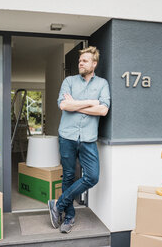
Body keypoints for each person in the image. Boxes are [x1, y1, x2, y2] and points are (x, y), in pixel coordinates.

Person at [48, 46, 110, 233]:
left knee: (92, 176)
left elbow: (103, 110)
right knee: (68, 176)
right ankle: (69, 216)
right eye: (79, 60)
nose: (80, 63)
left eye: (84, 61)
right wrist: (91, 102)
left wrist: (75, 105)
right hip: (67, 136)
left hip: (88, 139)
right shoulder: (69, 81)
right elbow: (63, 105)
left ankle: (58, 204)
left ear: (94, 63)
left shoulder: (102, 84)